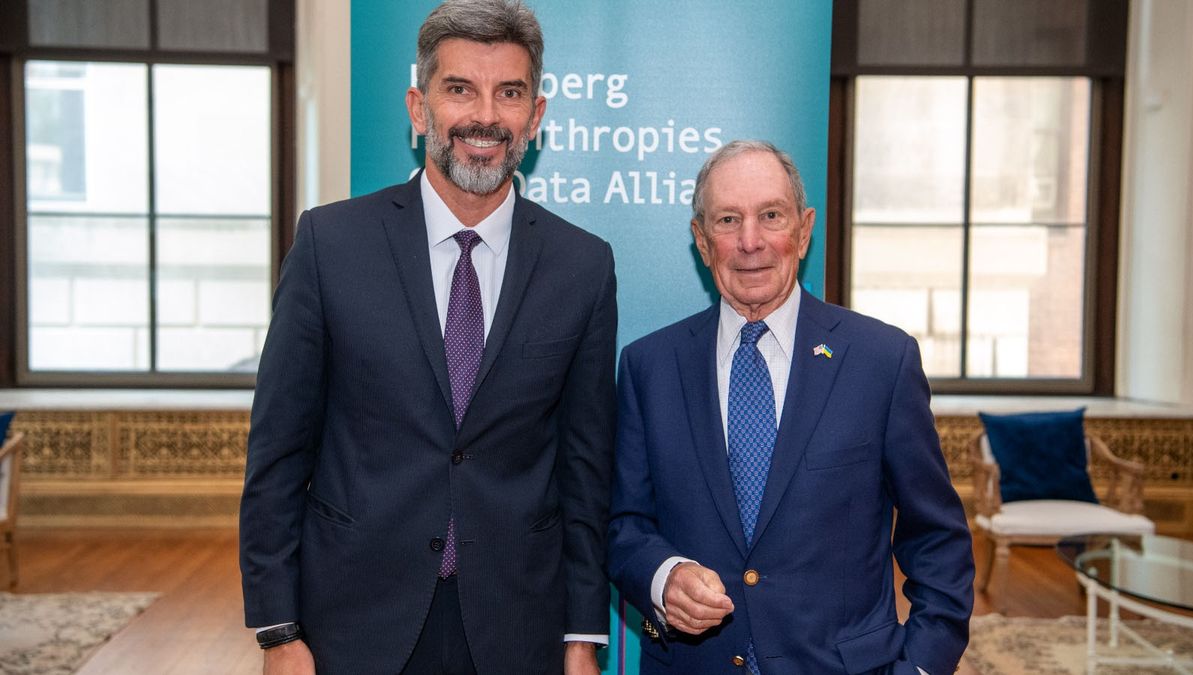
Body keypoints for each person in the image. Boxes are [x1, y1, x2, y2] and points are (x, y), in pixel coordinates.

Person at [239, 1, 616, 673]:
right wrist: (277, 629)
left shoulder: (582, 266)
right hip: (352, 623)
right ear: (419, 109)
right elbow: (277, 451)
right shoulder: (331, 243)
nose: (486, 116)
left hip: (517, 625)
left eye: (510, 92)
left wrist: (581, 636)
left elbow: (584, 474)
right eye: (459, 89)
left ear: (537, 114)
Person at [606, 140, 973, 674]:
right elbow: (624, 524)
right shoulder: (649, 366)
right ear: (702, 242)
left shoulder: (881, 361)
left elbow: (936, 537)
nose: (750, 242)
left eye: (770, 216)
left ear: (803, 231)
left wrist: (920, 666)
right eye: (728, 220)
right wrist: (664, 576)